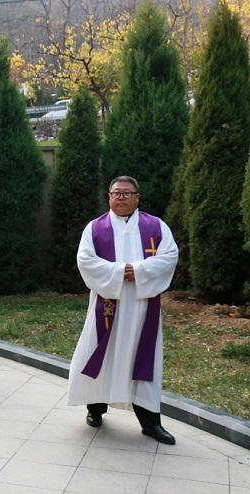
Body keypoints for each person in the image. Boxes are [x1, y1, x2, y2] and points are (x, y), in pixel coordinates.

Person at [67, 176, 178, 445]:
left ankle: (150, 423)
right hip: (107, 305)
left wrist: (138, 271)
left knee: (143, 359)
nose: (121, 198)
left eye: (127, 193)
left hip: (142, 306)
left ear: (137, 197)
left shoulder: (156, 226)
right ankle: (95, 410)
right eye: (116, 193)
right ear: (109, 197)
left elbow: (169, 256)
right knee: (101, 353)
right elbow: (85, 260)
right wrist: (119, 272)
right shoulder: (95, 228)